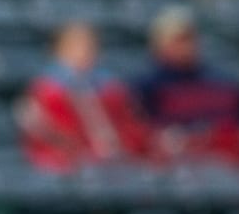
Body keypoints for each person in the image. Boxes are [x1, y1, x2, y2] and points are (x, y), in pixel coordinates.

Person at [134, 6, 239, 166]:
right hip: (177, 167)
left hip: (227, 166)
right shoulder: (147, 86)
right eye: (179, 39)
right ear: (159, 44)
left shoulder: (223, 83)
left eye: (190, 38)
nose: (186, 46)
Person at [17, 22, 152, 172]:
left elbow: (130, 127)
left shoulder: (111, 89)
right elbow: (51, 138)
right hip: (68, 168)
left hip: (114, 166)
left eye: (89, 46)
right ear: (57, 50)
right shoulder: (44, 91)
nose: (83, 52)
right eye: (74, 46)